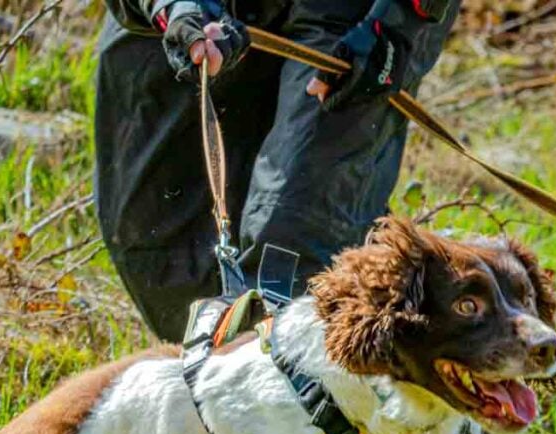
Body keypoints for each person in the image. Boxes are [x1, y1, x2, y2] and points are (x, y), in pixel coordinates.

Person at [96, 0, 459, 340]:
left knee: (291, 237)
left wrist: (398, 21)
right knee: (155, 236)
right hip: (199, 11)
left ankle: (296, 377)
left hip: (356, 13)